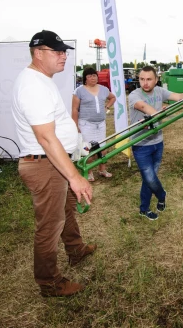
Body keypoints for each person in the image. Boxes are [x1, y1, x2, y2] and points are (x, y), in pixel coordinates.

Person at [12, 29, 96, 298]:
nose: (64, 57)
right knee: (49, 226)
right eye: (57, 52)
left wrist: (75, 145)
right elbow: (46, 138)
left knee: (67, 209)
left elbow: (56, 129)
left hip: (53, 162)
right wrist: (75, 176)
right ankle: (49, 282)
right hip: (44, 164)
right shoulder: (32, 85)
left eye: (64, 52)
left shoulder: (42, 80)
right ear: (39, 53)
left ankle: (75, 249)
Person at [128, 66, 183, 220]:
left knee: (149, 179)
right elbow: (143, 106)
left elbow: (177, 96)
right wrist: (158, 114)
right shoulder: (134, 95)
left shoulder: (160, 91)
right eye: (142, 79)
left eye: (149, 79)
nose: (145, 83)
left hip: (158, 142)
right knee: (150, 178)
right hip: (141, 145)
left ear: (156, 80)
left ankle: (144, 209)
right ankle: (161, 195)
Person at [72, 67, 116, 181]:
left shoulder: (103, 89)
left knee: (103, 148)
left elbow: (112, 98)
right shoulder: (79, 91)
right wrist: (75, 125)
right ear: (85, 78)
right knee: (88, 149)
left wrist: (107, 106)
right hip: (86, 124)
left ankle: (102, 169)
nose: (93, 78)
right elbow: (75, 109)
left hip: (100, 124)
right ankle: (89, 171)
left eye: (94, 75)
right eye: (90, 76)